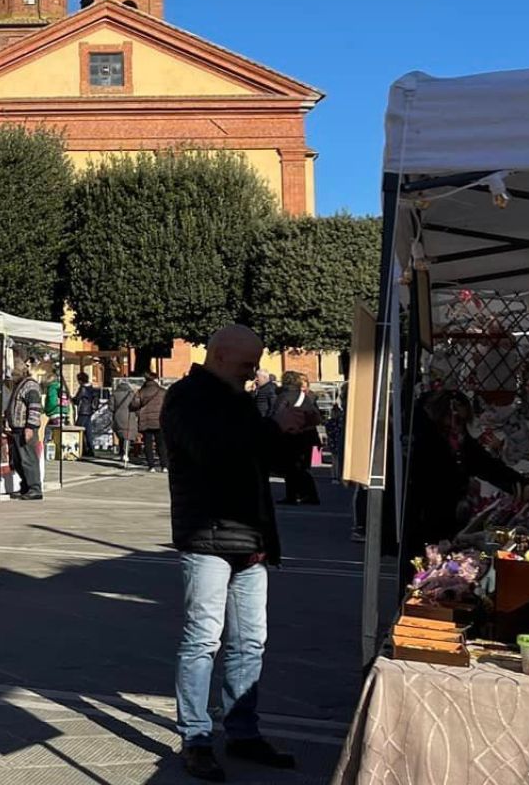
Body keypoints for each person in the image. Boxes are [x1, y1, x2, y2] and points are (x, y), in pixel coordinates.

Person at [162, 324, 307, 781]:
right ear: (221, 356)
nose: (253, 373)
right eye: (247, 364)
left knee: (249, 643)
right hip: (207, 535)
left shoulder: (240, 399)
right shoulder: (185, 398)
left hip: (251, 540)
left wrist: (291, 435)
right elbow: (214, 452)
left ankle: (242, 731)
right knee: (203, 640)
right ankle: (196, 737)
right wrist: (269, 429)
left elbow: (263, 460)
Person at [404, 390, 526, 550]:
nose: (460, 426)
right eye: (457, 419)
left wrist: (519, 483)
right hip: (424, 517)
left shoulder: (458, 439)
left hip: (445, 516)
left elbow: (486, 465)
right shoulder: (424, 439)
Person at [276, 372, 321, 505]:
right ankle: (306, 495)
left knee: (291, 468)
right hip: (305, 435)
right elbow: (315, 417)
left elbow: (277, 415)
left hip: (288, 436)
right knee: (299, 468)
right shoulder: (304, 397)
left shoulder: (283, 396)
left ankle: (294, 496)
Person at [6, 364, 46, 499]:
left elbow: (35, 407)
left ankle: (35, 488)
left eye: (14, 373)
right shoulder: (21, 385)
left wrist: (30, 426)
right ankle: (25, 486)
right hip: (17, 428)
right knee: (18, 460)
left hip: (25, 428)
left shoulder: (30, 386)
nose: (12, 376)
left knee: (28, 459)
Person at [130, 374, 166, 471]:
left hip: (146, 420)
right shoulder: (162, 391)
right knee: (161, 444)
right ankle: (164, 465)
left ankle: (151, 466)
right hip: (159, 420)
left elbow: (134, 404)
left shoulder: (141, 391)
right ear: (156, 380)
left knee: (148, 444)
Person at [111, 378, 137, 464]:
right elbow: (136, 405)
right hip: (130, 416)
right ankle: (126, 453)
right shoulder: (132, 394)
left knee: (121, 434)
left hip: (118, 417)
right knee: (128, 435)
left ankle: (122, 453)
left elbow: (110, 407)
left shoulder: (114, 394)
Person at [74, 374, 100, 459]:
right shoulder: (91, 388)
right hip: (89, 411)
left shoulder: (83, 388)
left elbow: (77, 400)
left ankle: (82, 449)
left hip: (83, 411)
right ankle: (90, 450)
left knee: (78, 430)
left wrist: (72, 398)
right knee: (88, 432)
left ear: (80, 380)